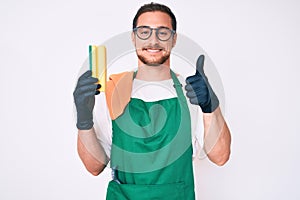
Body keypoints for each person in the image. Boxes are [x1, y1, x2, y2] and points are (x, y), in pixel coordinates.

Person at [73, 2, 231, 199]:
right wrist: (84, 118)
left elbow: (220, 156)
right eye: (144, 32)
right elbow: (94, 166)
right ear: (133, 38)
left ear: (174, 39)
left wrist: (210, 107)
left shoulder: (193, 92)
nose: (153, 40)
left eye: (163, 32)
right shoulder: (113, 90)